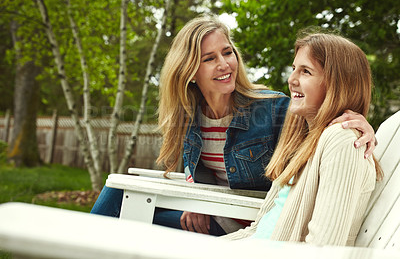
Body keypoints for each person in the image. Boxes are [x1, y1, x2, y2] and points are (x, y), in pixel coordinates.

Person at [91, 15, 377, 237]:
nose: (224, 64)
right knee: (118, 195)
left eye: (227, 53)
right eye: (209, 58)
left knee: (122, 209)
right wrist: (194, 197)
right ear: (189, 71)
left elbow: (321, 134)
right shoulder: (189, 115)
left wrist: (363, 125)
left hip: (249, 223)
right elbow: (195, 167)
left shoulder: (273, 108)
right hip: (210, 213)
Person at [223, 31, 383, 246]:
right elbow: (258, 230)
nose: (291, 80)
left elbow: (322, 248)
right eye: (293, 69)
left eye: (306, 71)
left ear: (337, 84)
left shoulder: (343, 141)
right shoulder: (303, 141)